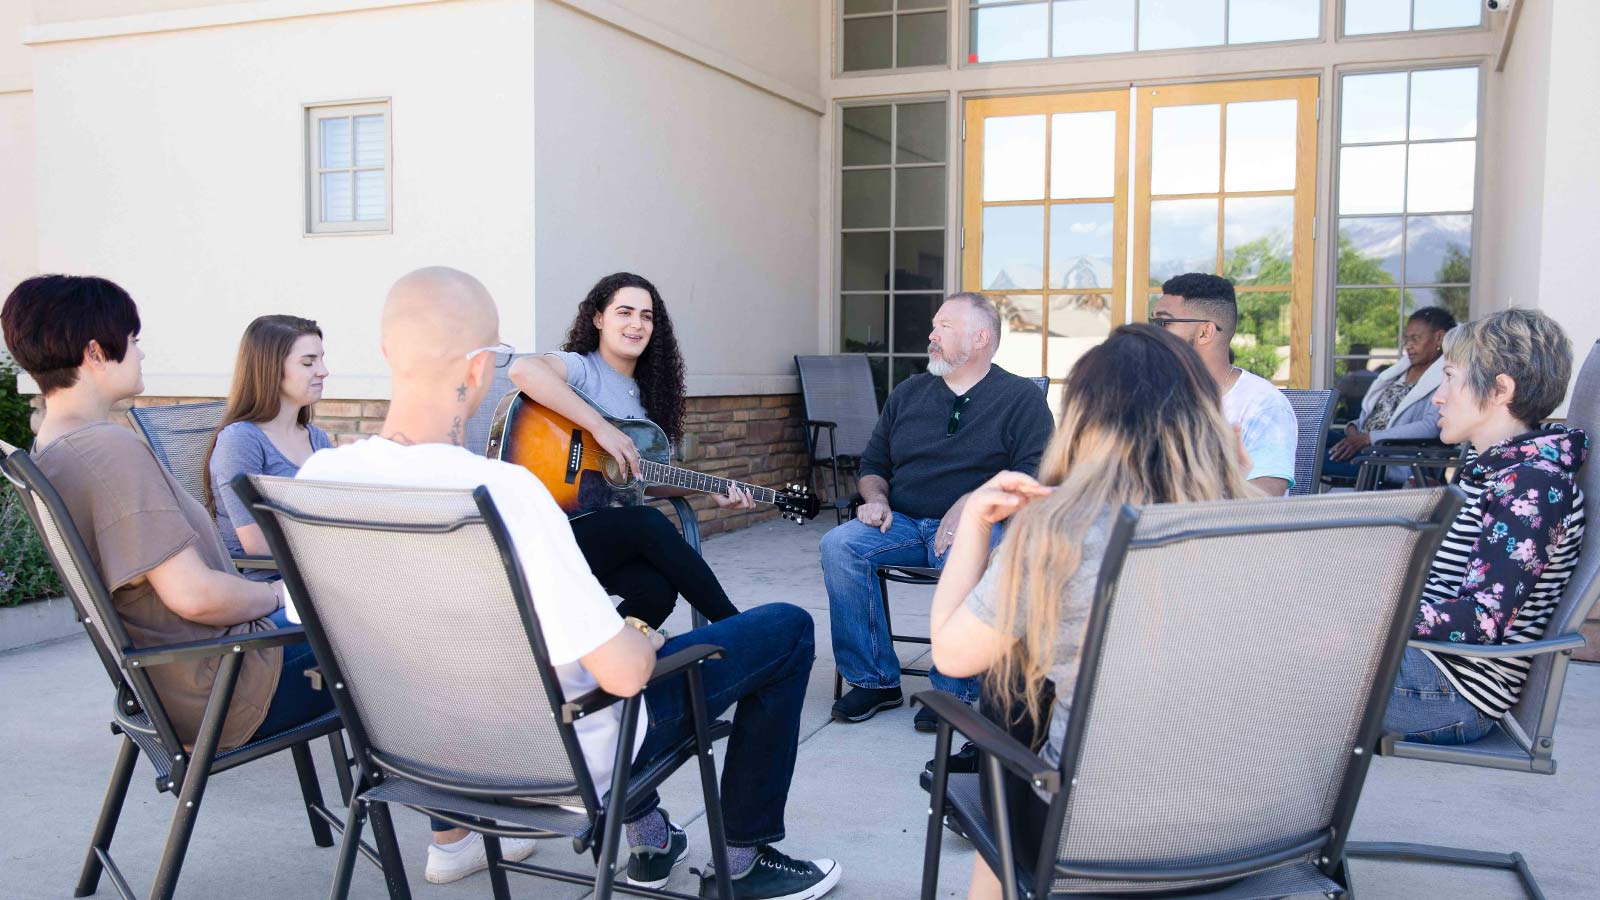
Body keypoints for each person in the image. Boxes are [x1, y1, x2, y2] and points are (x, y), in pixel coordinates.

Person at [297, 267, 840, 899]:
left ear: (387, 350)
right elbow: (624, 677)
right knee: (785, 628)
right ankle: (744, 862)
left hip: (417, 753)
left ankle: (651, 835)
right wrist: (641, 640)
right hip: (549, 757)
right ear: (478, 372)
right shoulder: (509, 493)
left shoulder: (320, 478)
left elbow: (311, 624)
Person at [927, 324, 1255, 900]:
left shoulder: (1059, 533)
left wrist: (978, 520)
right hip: (1253, 829)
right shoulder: (1268, 526)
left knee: (1008, 686)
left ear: (1084, 421)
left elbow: (952, 656)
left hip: (1096, 840)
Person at [0, 275, 331, 753]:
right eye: (133, 341)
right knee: (394, 640)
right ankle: (448, 816)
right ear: (95, 353)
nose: (141, 354)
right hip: (230, 684)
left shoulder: (53, 445)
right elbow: (196, 596)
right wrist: (284, 593)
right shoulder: (107, 452)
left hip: (192, 677)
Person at [820, 292, 1054, 729]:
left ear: (980, 337)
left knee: (973, 556)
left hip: (978, 528)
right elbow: (874, 466)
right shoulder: (909, 392)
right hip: (903, 522)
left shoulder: (1020, 398)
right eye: (934, 325)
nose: (931, 334)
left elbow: (1032, 474)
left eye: (944, 327)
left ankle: (955, 690)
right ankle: (874, 681)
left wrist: (969, 507)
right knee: (840, 545)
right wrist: (875, 501)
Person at [1385, 308, 1587, 744]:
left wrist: (1367, 614)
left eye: (1450, 378)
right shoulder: (1489, 467)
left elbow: (1480, 620)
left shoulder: (1532, 485)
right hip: (1424, 664)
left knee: (1261, 660)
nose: (1437, 397)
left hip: (1448, 692)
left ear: (1499, 389)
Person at [507, 272, 751, 629]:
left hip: (597, 533)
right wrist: (600, 427)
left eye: (646, 316)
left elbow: (641, 480)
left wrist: (710, 487)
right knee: (648, 522)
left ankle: (594, 670)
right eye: (625, 312)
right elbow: (523, 369)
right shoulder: (582, 369)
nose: (637, 324)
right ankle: (737, 629)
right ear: (599, 319)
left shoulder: (648, 400)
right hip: (546, 528)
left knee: (656, 589)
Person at [203, 315, 333, 580]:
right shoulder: (241, 441)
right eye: (308, 362)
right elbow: (258, 546)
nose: (323, 371)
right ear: (271, 369)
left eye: (321, 359)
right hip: (273, 589)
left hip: (323, 582)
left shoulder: (318, 439)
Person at [1151, 273, 1298, 496]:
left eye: (1164, 322)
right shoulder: (1157, 395)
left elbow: (1266, 499)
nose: (1152, 333)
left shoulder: (1263, 405)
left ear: (1205, 332)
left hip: (1219, 529)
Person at [1326, 307, 1457, 484]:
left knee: (1309, 459)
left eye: (1416, 339)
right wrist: (1354, 428)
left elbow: (1431, 426)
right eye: (1407, 339)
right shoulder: (1400, 372)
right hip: (1365, 446)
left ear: (1439, 338)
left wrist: (1369, 438)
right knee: (1311, 438)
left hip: (1387, 459)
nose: (1408, 345)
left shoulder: (1444, 378)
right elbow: (1379, 413)